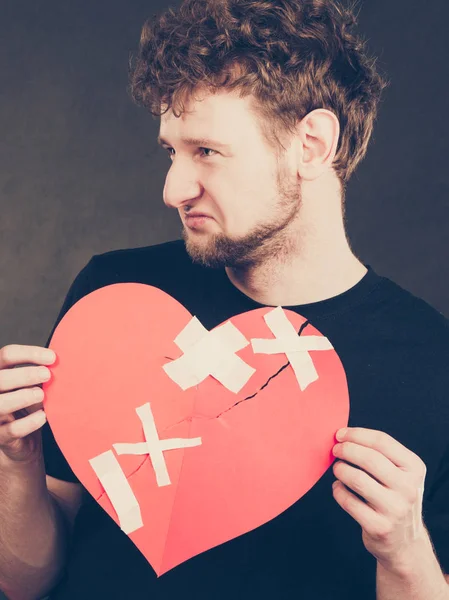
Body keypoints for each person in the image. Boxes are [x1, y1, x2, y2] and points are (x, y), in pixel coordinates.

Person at [1, 0, 448, 598]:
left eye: (206, 151)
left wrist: (405, 553)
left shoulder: (432, 365)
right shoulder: (115, 300)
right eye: (171, 151)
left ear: (311, 144)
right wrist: (15, 465)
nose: (174, 189)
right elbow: (25, 585)